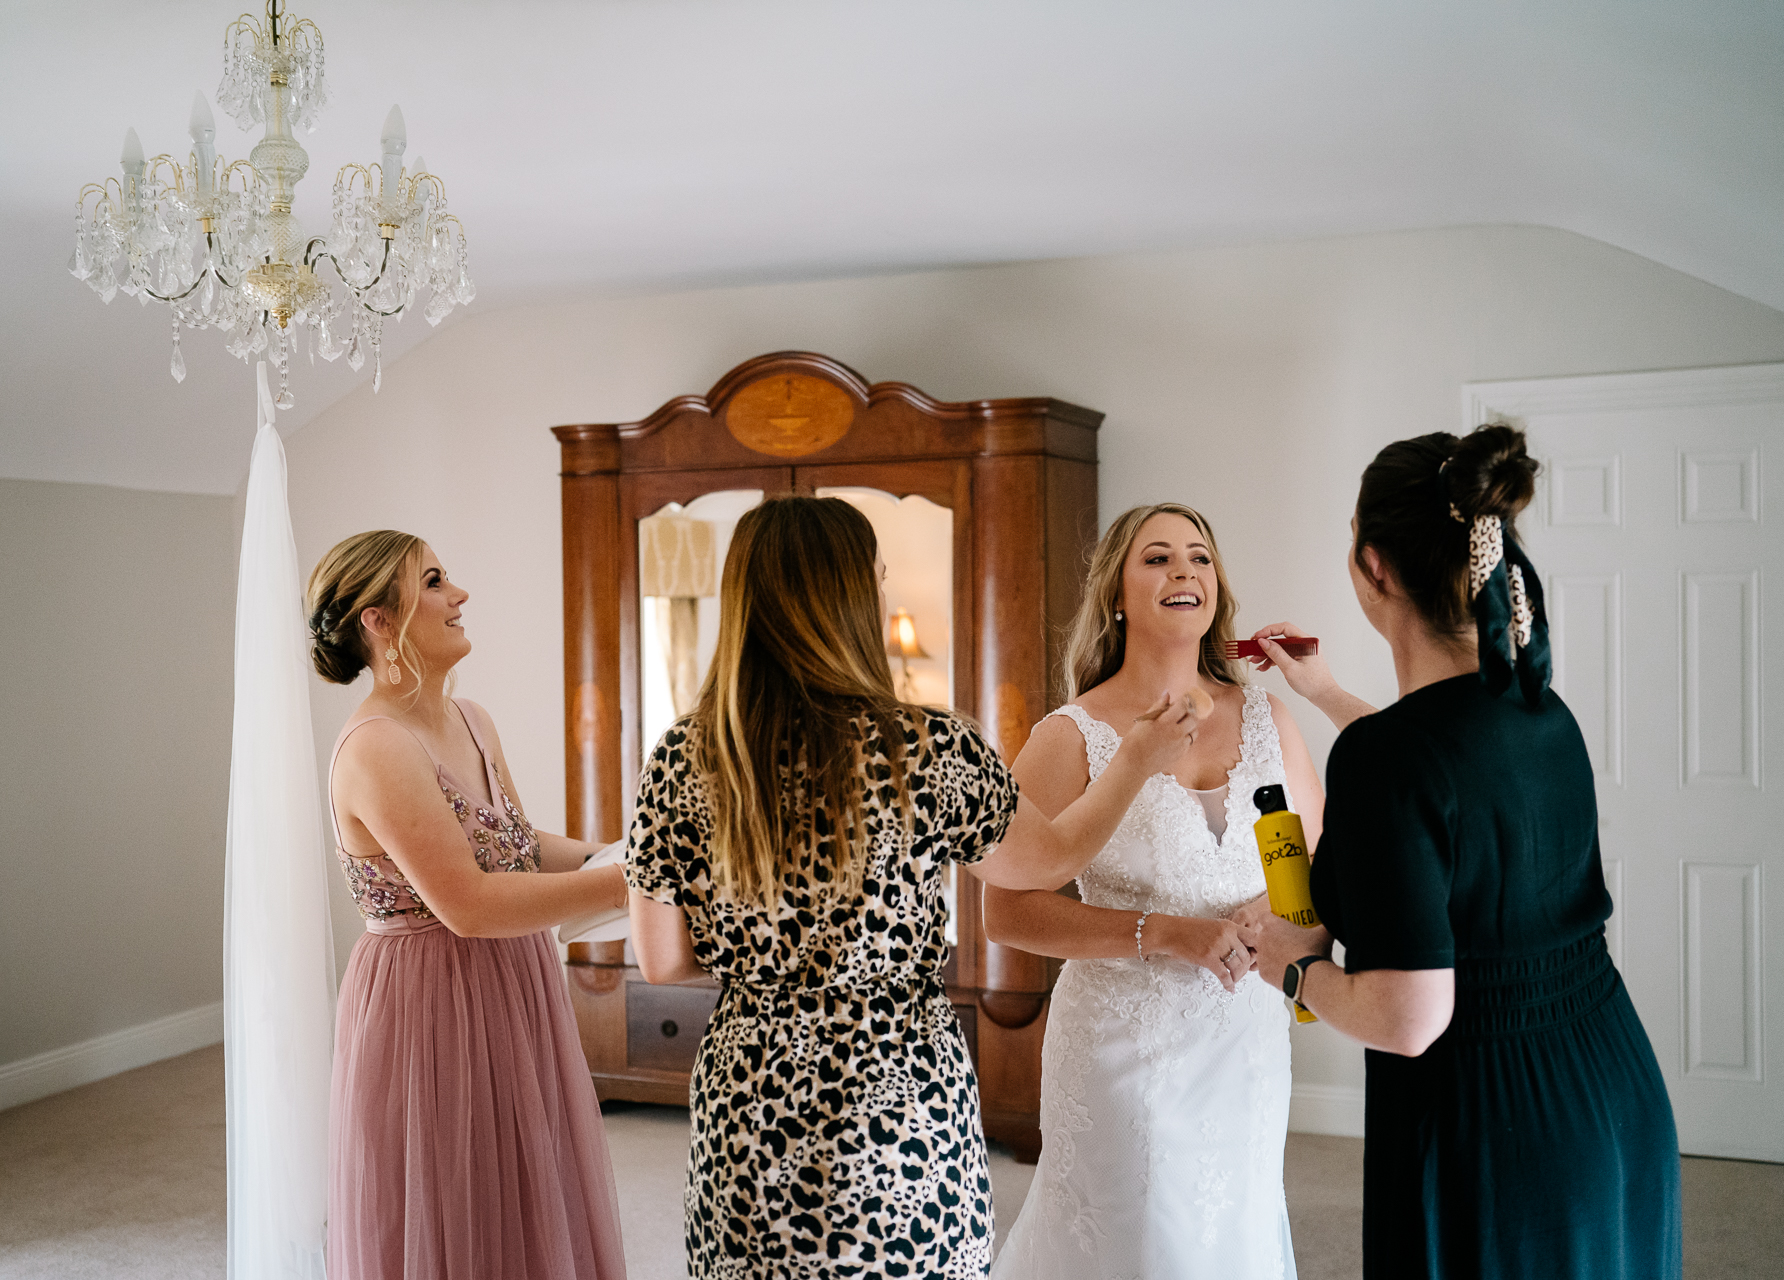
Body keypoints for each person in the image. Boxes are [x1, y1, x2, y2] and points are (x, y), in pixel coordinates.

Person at [624, 496, 1196, 1279]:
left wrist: (774, 973)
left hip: (748, 1096)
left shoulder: (684, 756)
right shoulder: (926, 747)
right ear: (859, 593)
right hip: (898, 1093)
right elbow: (1051, 860)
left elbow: (659, 962)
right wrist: (1133, 759)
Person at [1243, 425, 1681, 1279]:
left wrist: (1292, 967)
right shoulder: (1537, 709)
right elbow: (1439, 773)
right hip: (1612, 1087)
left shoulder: (1387, 761)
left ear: (1374, 565)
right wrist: (1326, 691)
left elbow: (1410, 1022)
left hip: (1493, 1122)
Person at [988, 502, 1324, 1280]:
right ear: (1117, 592)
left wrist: (1278, 910)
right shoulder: (1071, 735)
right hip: (1121, 1049)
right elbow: (1007, 910)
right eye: (1159, 558)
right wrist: (1163, 933)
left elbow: (1321, 860)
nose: (1184, 571)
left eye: (1200, 557)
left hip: (1245, 1041)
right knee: (1140, 1245)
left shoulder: (1271, 719)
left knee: (1233, 1232)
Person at [309, 530, 629, 1280]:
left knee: (521, 1187)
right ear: (378, 621)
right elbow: (473, 904)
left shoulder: (472, 718)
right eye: (434, 580)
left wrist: (612, 853)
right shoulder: (377, 746)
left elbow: (511, 846)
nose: (459, 595)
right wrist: (629, 884)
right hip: (430, 997)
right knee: (451, 1199)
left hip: (511, 980)